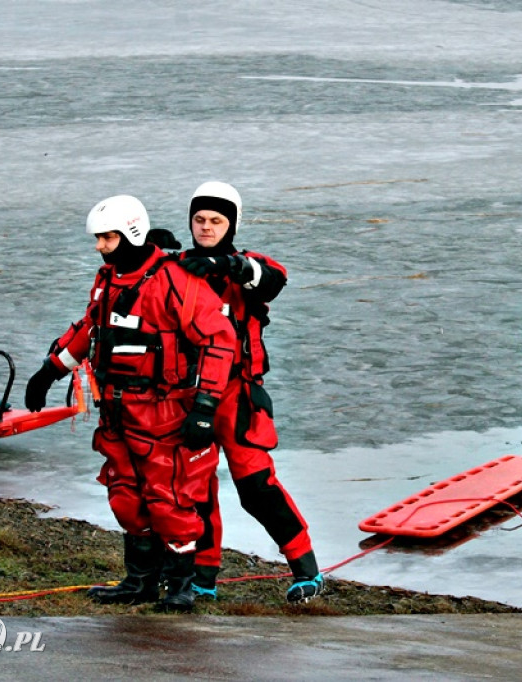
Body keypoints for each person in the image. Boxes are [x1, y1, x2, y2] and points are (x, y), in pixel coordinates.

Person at [24, 194, 237, 612]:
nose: (100, 246)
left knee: (169, 499)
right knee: (125, 495)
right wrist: (49, 372)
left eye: (107, 238)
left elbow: (219, 340)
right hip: (116, 410)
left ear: (131, 233)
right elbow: (90, 330)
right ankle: (139, 581)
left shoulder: (175, 280)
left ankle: (182, 585)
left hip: (164, 411)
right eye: (99, 239)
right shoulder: (108, 279)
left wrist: (206, 406)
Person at [177, 181, 323, 603]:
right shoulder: (177, 267)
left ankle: (306, 569)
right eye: (199, 220)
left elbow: (273, 280)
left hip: (237, 396)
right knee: (194, 488)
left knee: (256, 488)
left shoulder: (250, 265)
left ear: (232, 224)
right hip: (188, 397)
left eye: (216, 221)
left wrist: (231, 267)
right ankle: (203, 577)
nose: (206, 227)